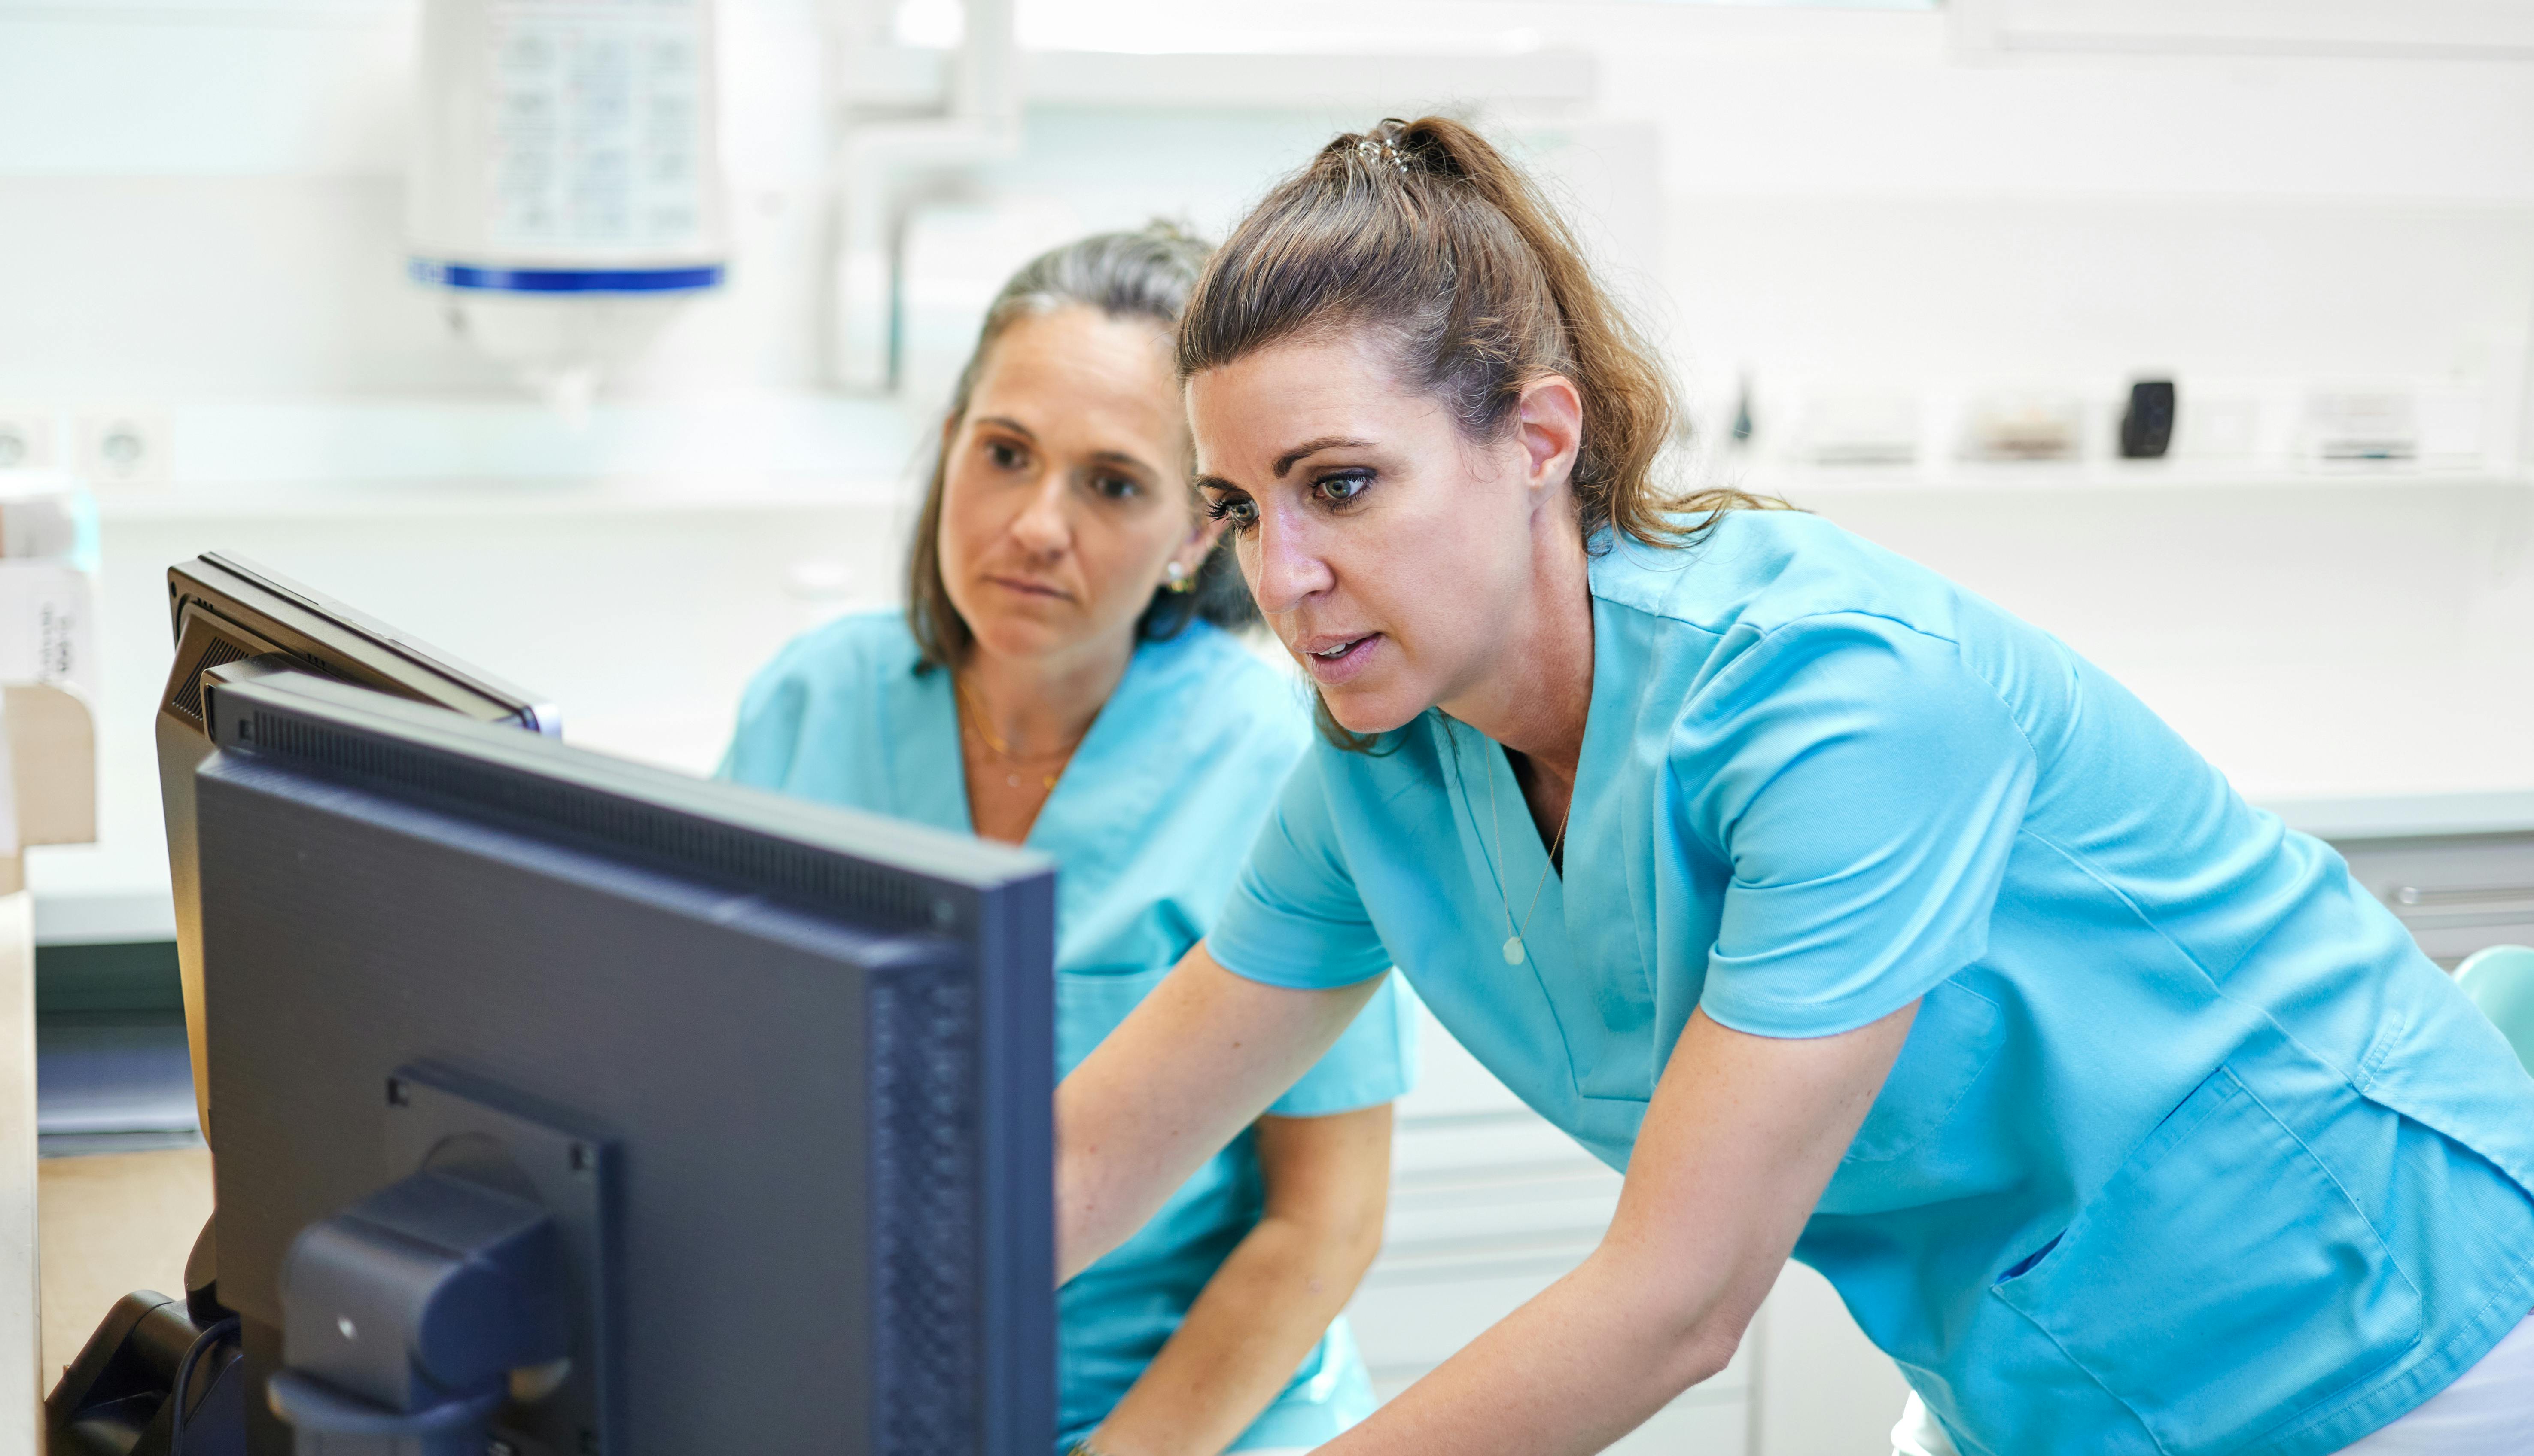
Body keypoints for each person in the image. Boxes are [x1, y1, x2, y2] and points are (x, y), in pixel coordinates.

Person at [1054, 119, 2534, 1456]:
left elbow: (1678, 1304)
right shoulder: (1384, 768)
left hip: (2389, 1318)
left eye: (1341, 486)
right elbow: (1085, 1159)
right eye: (1239, 508)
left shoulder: (1838, 698)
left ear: (1539, 439)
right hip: (2042, 1387)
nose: (1283, 577)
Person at [720, 226, 1418, 1456]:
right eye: (1006, 455)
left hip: (1179, 1416)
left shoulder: (1279, 767)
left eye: (1113, 484)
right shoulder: (812, 704)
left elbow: (1326, 1219)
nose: (1039, 525)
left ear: (1197, 533)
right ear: (951, 452)